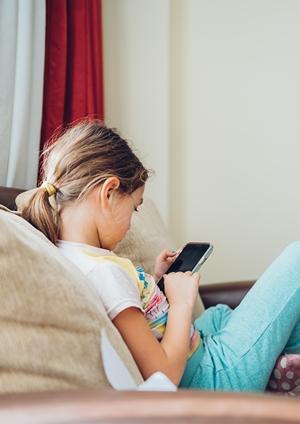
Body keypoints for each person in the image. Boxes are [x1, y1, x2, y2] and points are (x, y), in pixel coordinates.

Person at [22, 119, 300, 392]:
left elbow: (144, 322)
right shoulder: (104, 272)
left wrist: (155, 283)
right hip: (211, 379)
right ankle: (270, 371)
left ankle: (271, 366)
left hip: (199, 348)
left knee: (218, 314)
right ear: (108, 192)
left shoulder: (79, 255)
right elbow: (164, 376)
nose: (132, 221)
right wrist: (181, 302)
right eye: (135, 207)